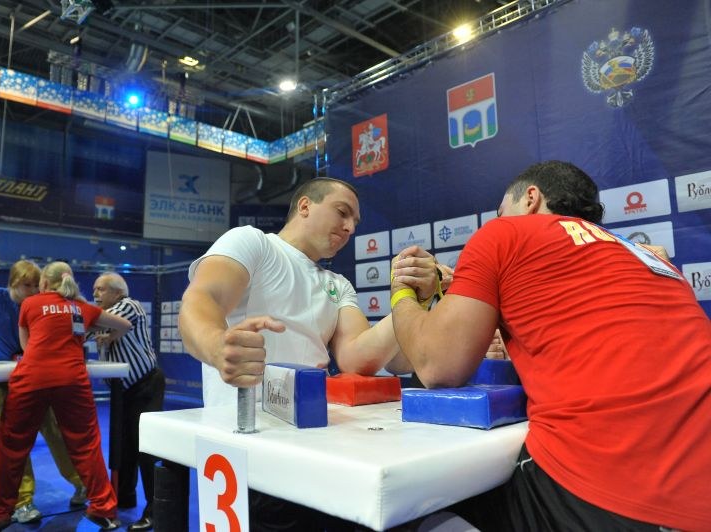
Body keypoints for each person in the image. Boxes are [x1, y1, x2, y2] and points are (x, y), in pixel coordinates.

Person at [390, 160, 711, 531]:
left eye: (500, 212)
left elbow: (437, 367)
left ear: (530, 198)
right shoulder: (650, 256)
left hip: (615, 494)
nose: (497, 220)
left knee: (417, 503)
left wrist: (401, 292)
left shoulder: (503, 235)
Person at [180, 177, 438, 529]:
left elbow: (356, 357)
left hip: (315, 444)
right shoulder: (253, 243)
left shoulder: (337, 284)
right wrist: (216, 345)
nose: (349, 228)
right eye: (342, 213)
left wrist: (408, 299)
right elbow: (200, 298)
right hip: (248, 443)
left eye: (354, 223)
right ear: (305, 206)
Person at [0, 262, 132, 532]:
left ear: (43, 284)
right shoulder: (82, 307)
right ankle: (104, 510)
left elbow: (27, 347)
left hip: (32, 377)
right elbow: (124, 324)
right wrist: (107, 338)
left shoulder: (30, 304)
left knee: (12, 448)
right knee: (86, 445)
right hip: (72, 379)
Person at [0, 260, 87, 523]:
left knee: (55, 432)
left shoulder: (38, 304)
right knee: (13, 443)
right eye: (27, 285)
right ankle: (23, 501)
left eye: (37, 284)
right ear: (13, 283)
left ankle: (80, 482)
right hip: (1, 380)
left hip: (35, 378)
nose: (33, 289)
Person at [92, 272, 165, 532]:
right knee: (123, 447)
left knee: (145, 449)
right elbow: (88, 330)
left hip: (145, 385)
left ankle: (156, 511)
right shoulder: (106, 317)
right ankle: (124, 497)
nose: (95, 294)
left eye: (100, 290)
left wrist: (75, 314)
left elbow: (92, 322)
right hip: (122, 390)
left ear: (116, 292)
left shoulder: (128, 305)